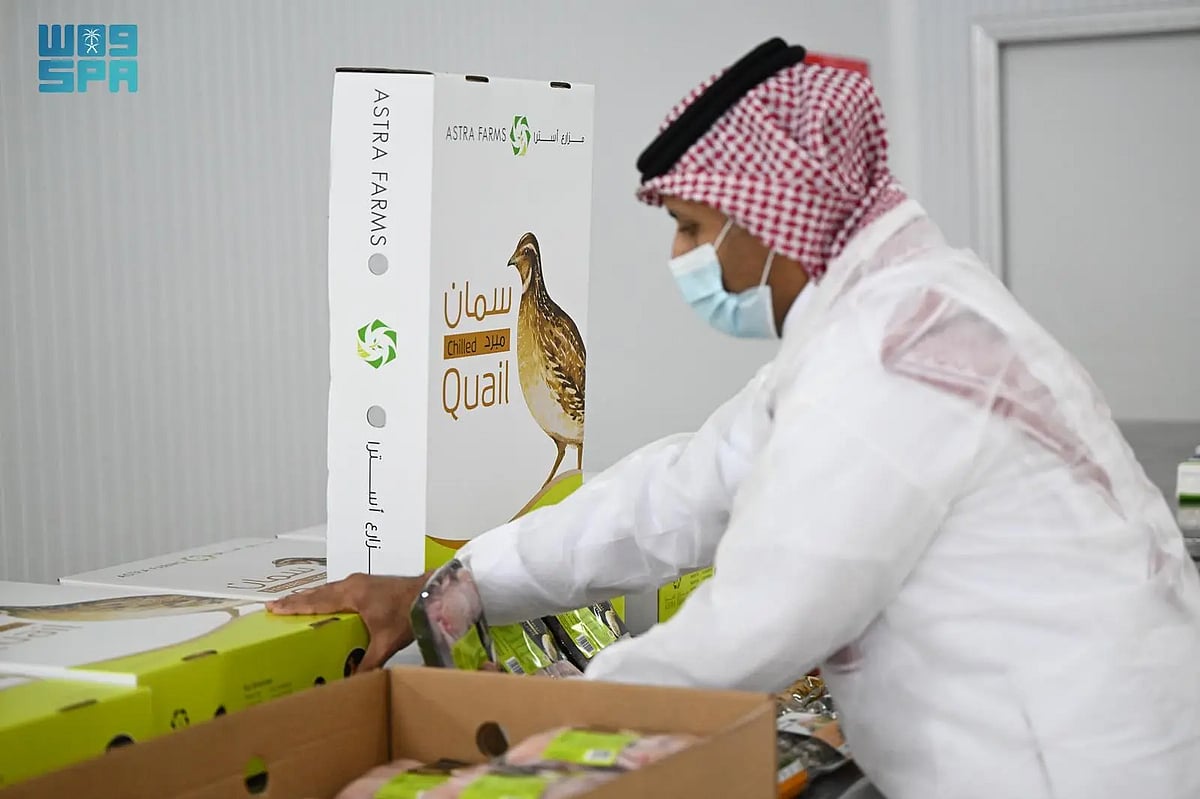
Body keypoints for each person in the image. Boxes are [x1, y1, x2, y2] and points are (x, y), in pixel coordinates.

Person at [272, 39, 1200, 798]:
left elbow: (752, 625)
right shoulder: (887, 311)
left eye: (689, 226)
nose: (679, 256)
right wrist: (459, 583)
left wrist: (509, 733)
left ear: (769, 218)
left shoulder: (885, 363)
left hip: (1075, 767)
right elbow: (683, 489)